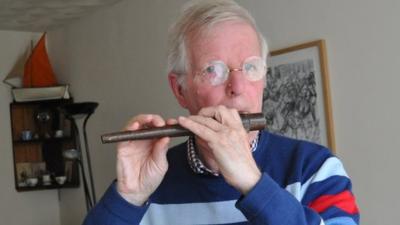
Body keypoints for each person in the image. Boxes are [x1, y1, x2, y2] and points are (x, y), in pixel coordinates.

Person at [83, 0, 359, 224]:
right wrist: (128, 197)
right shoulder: (151, 183)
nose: (237, 87)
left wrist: (253, 183)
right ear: (180, 90)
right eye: (213, 70)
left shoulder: (315, 168)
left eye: (250, 67)